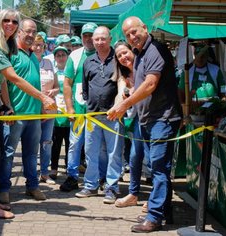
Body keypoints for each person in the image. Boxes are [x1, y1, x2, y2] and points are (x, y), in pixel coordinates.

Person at [0, 10, 56, 218]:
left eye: (14, 21)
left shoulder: (7, 46)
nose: (10, 23)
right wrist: (42, 97)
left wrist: (6, 105)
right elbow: (12, 77)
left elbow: (2, 81)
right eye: (5, 20)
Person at [107, 16, 182, 233]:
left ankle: (155, 217)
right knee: (158, 167)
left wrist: (124, 105)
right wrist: (123, 98)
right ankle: (164, 210)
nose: (132, 37)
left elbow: (150, 84)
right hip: (149, 119)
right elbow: (139, 85)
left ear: (145, 28)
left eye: (134, 32)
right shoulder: (139, 54)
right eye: (128, 34)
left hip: (163, 118)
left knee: (158, 168)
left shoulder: (155, 50)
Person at [0, 19, 56, 204]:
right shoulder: (10, 51)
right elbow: (3, 82)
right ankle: (4, 189)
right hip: (15, 116)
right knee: (8, 153)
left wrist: (41, 110)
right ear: (19, 32)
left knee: (32, 154)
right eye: (28, 31)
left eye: (34, 32)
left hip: (34, 116)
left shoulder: (32, 55)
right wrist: (8, 107)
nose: (31, 35)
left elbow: (36, 83)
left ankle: (32, 186)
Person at [76, 26, 124, 205]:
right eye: (96, 39)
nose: (99, 42)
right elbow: (86, 89)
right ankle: (90, 185)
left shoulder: (118, 58)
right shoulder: (88, 61)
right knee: (90, 151)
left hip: (113, 115)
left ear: (110, 39)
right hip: (92, 115)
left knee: (113, 153)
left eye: (103, 38)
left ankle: (111, 188)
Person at [59, 22, 97, 192]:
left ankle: (94, 178)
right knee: (74, 144)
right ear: (82, 37)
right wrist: (69, 108)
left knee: (94, 146)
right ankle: (72, 176)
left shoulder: (103, 53)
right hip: (79, 110)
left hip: (97, 110)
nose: (88, 39)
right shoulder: (74, 55)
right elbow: (67, 84)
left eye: (91, 35)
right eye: (85, 35)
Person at [112, 41, 148, 212]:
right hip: (137, 120)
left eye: (125, 52)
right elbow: (120, 94)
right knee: (134, 157)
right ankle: (133, 194)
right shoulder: (123, 75)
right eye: (119, 56)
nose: (123, 57)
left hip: (152, 117)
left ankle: (154, 198)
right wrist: (115, 108)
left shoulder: (144, 66)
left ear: (132, 51)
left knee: (152, 159)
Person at [31, 32, 59, 185]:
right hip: (34, 109)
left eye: (40, 45)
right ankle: (31, 172)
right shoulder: (28, 61)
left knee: (47, 142)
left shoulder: (49, 63)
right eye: (35, 45)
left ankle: (45, 173)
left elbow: (57, 87)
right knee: (33, 142)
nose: (37, 48)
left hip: (50, 110)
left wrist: (52, 92)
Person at [50, 46, 70, 180]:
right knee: (55, 142)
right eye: (58, 55)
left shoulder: (71, 71)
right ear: (55, 58)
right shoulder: (53, 72)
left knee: (70, 142)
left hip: (69, 111)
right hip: (56, 111)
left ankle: (69, 167)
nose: (61, 57)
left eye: (63, 55)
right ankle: (54, 168)